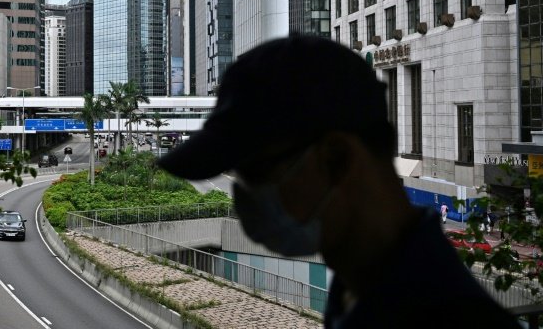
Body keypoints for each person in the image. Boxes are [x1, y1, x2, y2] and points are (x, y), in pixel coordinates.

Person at [157, 35, 521, 328]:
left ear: (336, 159)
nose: (244, 198)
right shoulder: (355, 289)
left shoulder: (446, 317)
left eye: (256, 173)